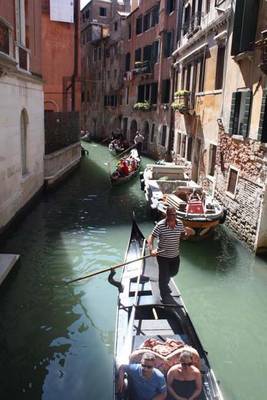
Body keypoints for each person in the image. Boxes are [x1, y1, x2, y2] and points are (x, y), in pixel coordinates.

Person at [147, 206, 193, 302]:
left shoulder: (179, 224)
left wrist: (187, 234)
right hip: (163, 256)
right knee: (163, 276)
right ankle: (164, 295)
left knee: (173, 272)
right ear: (167, 215)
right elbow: (151, 237)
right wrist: (151, 250)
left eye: (175, 214)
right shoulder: (160, 225)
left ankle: (165, 282)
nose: (173, 216)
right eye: (171, 214)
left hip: (175, 255)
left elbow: (182, 236)